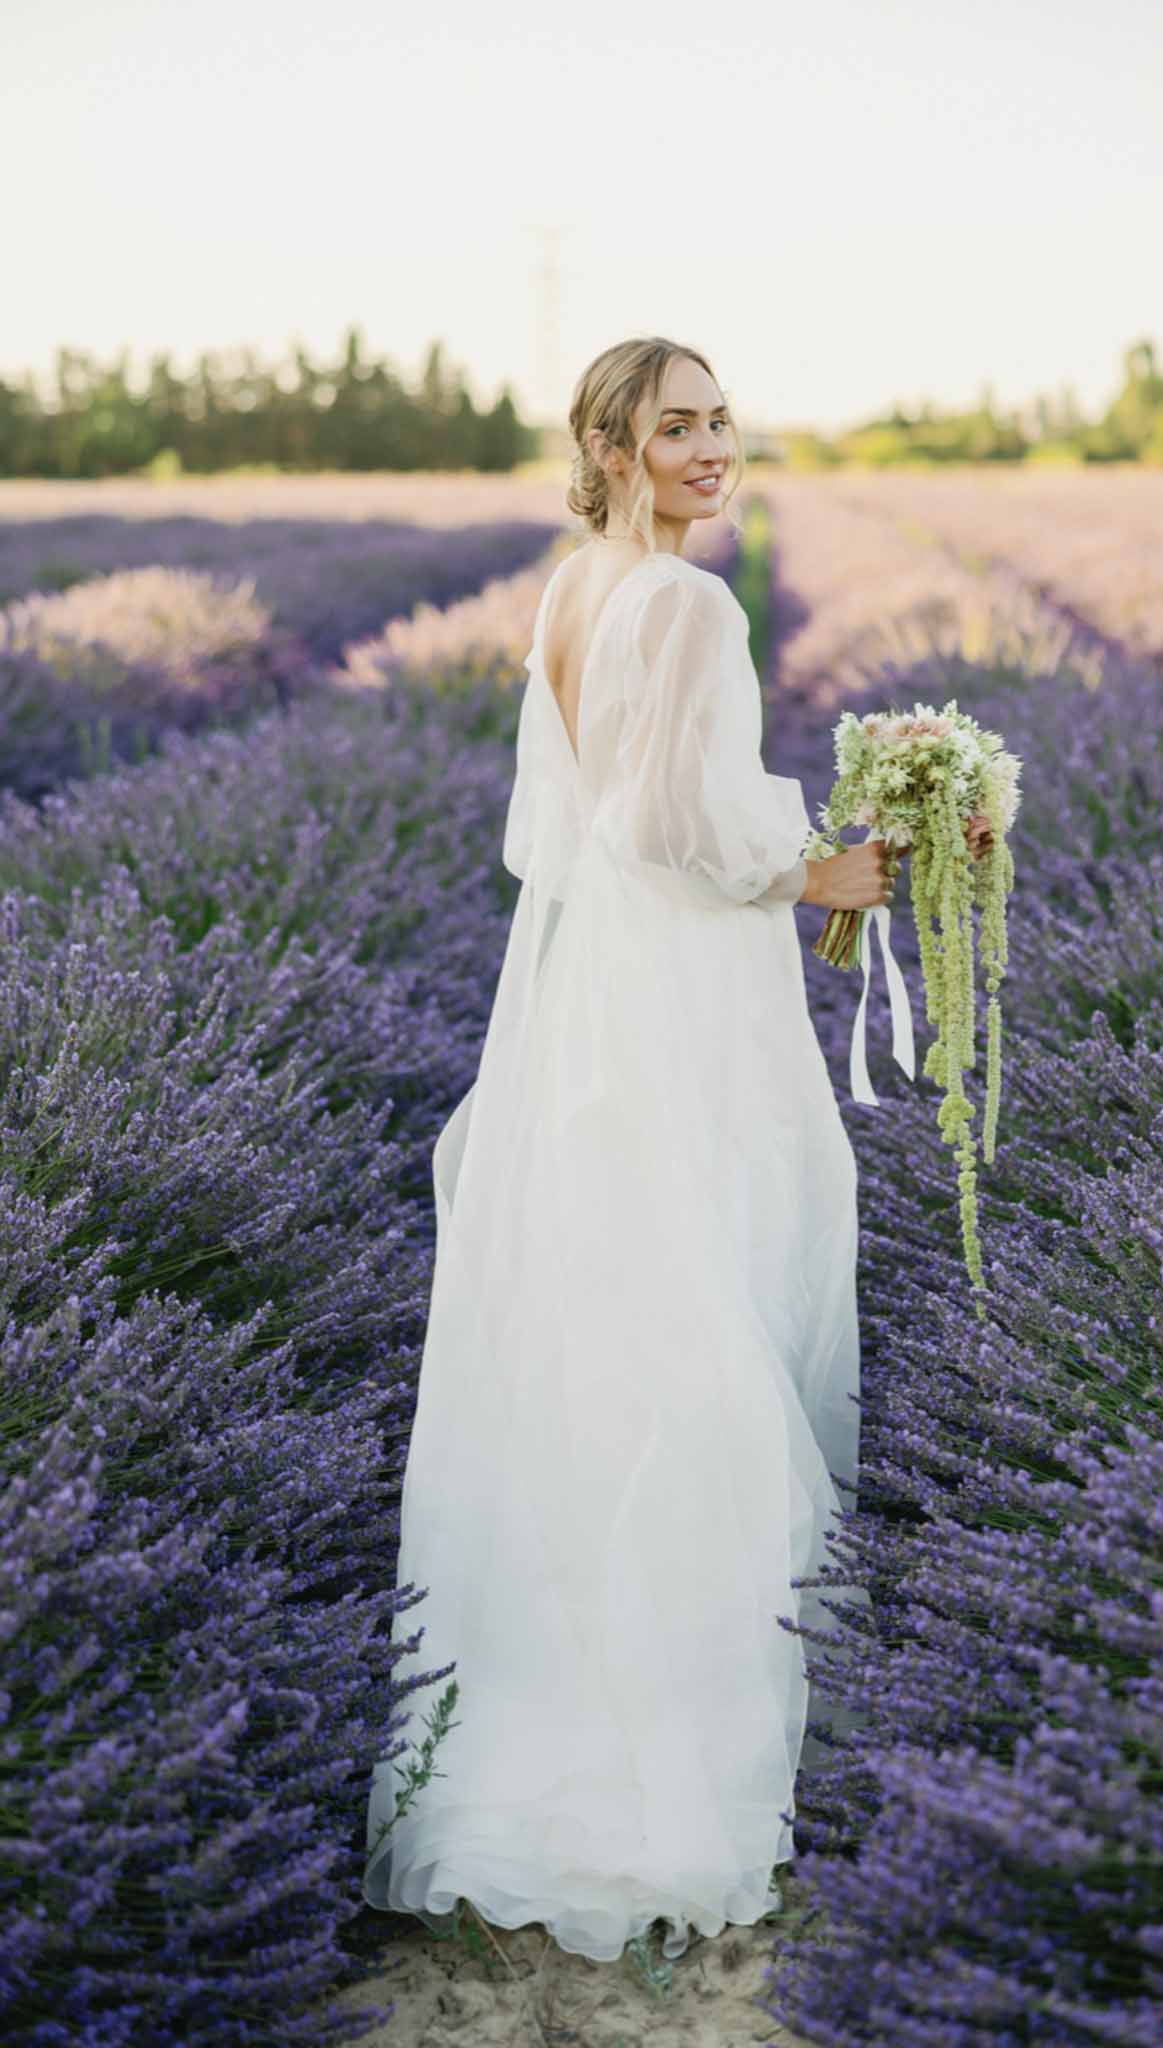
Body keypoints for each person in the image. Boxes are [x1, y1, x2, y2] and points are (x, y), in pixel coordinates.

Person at [362, 338, 910, 1967]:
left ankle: (555, 1698)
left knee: (606, 1316)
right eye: (677, 425)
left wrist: (782, 849)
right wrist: (826, 877)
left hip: (601, 990)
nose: (713, 446)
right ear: (608, 441)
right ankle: (683, 1740)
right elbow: (658, 828)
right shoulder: (680, 603)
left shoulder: (569, 588)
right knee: (704, 1312)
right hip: (678, 994)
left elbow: (564, 830)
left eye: (721, 418)